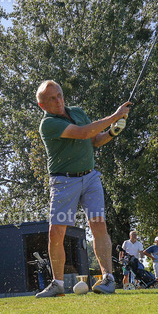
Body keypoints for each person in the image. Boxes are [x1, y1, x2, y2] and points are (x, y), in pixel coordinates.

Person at [33, 80, 130, 297]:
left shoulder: (77, 112)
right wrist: (114, 116)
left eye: (59, 95)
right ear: (42, 105)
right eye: (52, 98)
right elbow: (83, 133)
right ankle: (57, 284)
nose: (58, 100)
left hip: (91, 177)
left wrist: (113, 132)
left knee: (98, 224)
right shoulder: (48, 123)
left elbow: (95, 140)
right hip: (64, 181)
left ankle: (108, 279)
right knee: (56, 231)